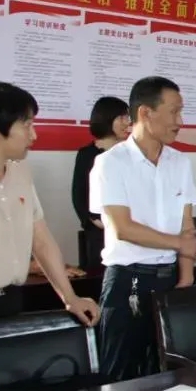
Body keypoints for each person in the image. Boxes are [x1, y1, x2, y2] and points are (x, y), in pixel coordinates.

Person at [0, 82, 99, 343]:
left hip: (11, 303)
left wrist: (70, 298)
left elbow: (41, 241)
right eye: (26, 125)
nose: (33, 135)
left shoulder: (21, 174)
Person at [89, 76, 196, 380]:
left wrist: (186, 277)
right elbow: (123, 229)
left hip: (170, 280)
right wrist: (179, 243)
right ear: (145, 113)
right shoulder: (111, 163)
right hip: (129, 283)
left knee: (169, 374)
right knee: (121, 378)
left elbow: (187, 227)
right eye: (174, 112)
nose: (180, 121)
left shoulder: (180, 162)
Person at [71, 96, 130, 268]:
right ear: (106, 118)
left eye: (127, 117)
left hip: (130, 230)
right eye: (121, 118)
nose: (127, 123)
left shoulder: (130, 154)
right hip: (99, 231)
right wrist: (94, 220)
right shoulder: (87, 154)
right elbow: (79, 195)